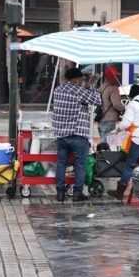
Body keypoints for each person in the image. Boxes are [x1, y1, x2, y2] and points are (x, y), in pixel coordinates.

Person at [51, 67, 101, 202]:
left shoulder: (58, 90)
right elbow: (97, 100)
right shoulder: (78, 90)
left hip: (62, 134)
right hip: (78, 134)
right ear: (76, 79)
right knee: (80, 164)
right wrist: (91, 87)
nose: (82, 82)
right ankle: (77, 193)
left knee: (61, 163)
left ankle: (60, 192)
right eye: (81, 80)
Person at [112, 83, 139, 200]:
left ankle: (120, 192)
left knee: (129, 165)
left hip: (138, 139)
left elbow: (126, 123)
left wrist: (116, 130)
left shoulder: (133, 104)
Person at [97, 67, 126, 143]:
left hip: (101, 118)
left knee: (103, 142)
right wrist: (124, 108)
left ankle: (101, 154)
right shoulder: (113, 88)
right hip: (109, 119)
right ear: (110, 76)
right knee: (108, 144)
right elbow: (116, 104)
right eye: (115, 76)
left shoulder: (101, 86)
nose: (117, 78)